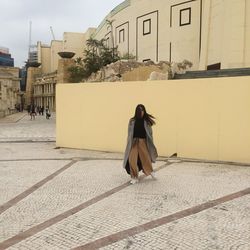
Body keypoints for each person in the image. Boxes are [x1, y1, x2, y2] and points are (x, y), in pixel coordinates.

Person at [123, 104, 158, 184]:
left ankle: (151, 171)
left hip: (143, 142)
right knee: (132, 159)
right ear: (137, 111)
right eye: (140, 110)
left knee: (146, 158)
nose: (141, 112)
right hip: (134, 142)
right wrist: (129, 143)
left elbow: (150, 134)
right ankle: (134, 176)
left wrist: (150, 143)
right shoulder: (132, 121)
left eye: (142, 110)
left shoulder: (146, 121)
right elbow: (129, 134)